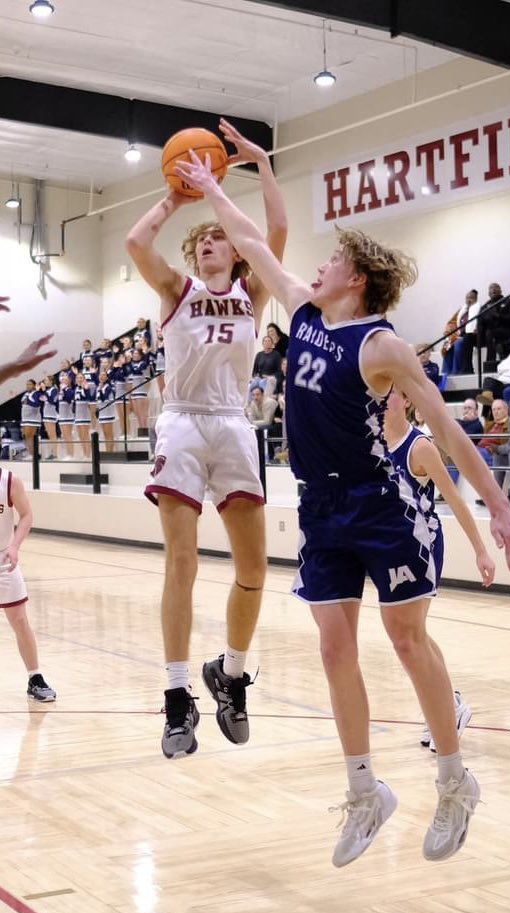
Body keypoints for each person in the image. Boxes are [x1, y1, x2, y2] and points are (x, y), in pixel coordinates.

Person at [181, 150, 510, 866]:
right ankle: (364, 791)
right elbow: (251, 239)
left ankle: (453, 781)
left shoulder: (381, 346)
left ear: (357, 278)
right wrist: (217, 186)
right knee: (332, 646)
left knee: (406, 640)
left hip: (378, 504)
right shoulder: (304, 310)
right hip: (320, 508)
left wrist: (499, 507)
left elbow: (445, 427)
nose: (316, 267)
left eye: (333, 260)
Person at [125, 118, 287, 759]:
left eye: (221, 238)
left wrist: (263, 165)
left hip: (233, 422)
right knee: (182, 563)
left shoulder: (253, 293)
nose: (211, 245)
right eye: (204, 241)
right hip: (184, 420)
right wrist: (176, 195)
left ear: (237, 252)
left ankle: (231, 673)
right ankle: (175, 696)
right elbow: (136, 241)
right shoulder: (177, 289)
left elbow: (277, 231)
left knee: (254, 568)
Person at [384, 388, 495, 752]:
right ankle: (447, 704)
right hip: (390, 549)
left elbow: (456, 500)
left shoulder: (420, 447)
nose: (381, 400)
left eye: (390, 394)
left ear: (406, 400)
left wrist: (481, 550)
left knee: (411, 633)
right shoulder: (372, 442)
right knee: (409, 635)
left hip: (423, 545)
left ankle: (447, 709)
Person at [0, 467, 56, 701]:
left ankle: (35, 678)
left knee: (20, 621)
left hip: (3, 558)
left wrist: (14, 546)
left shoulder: (9, 481)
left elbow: (26, 515)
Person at [479, 282, 510, 363]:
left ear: (500, 291)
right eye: (491, 288)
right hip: (489, 334)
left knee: (490, 333)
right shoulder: (484, 307)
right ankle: (467, 367)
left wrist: (498, 316)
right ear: (488, 293)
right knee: (468, 338)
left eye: (496, 287)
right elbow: (480, 322)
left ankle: (490, 362)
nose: (493, 289)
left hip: (507, 330)